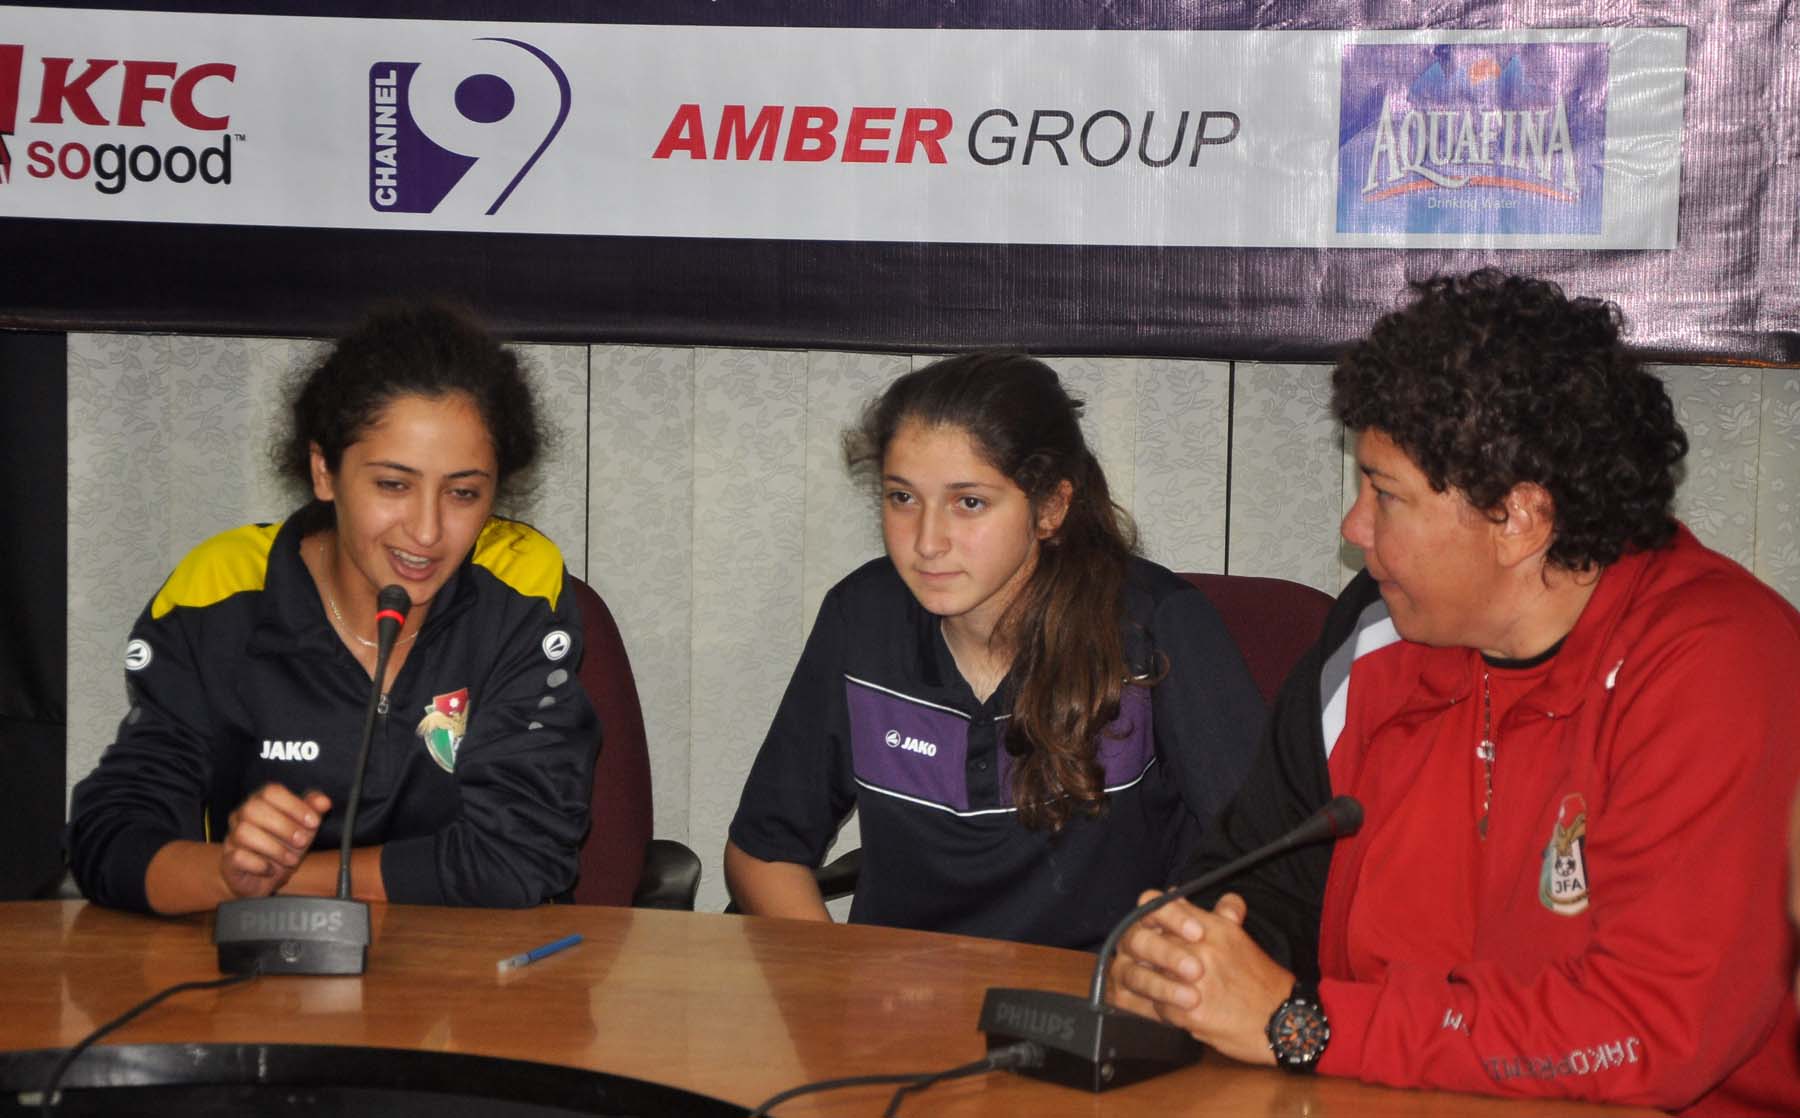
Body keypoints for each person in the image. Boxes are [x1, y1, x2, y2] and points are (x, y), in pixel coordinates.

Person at [1106, 270, 1800, 1116]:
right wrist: (1191, 961)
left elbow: (1651, 1031)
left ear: (1519, 520)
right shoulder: (1375, 635)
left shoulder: (1718, 665)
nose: (1353, 529)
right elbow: (1261, 882)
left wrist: (1305, 1025)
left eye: (1385, 494)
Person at [68, 304, 599, 913]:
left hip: (468, 981)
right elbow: (110, 841)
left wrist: (271, 881)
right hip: (257, 989)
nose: (427, 531)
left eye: (463, 493)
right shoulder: (220, 589)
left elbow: (520, 860)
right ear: (325, 471)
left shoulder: (519, 580)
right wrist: (226, 875)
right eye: (393, 485)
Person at [724, 353, 1264, 949]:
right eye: (902, 498)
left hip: (1093, 1013)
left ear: (1051, 507)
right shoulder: (862, 619)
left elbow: (1262, 866)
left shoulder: (1154, 629)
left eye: (969, 502)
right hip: (897, 1014)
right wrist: (836, 982)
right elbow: (763, 851)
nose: (927, 542)